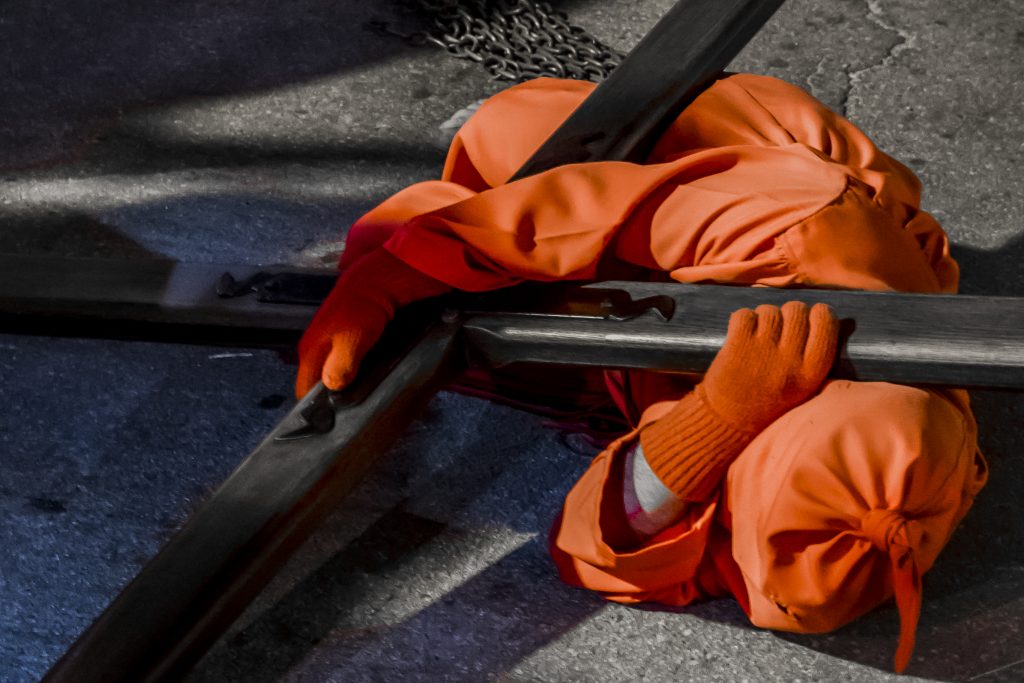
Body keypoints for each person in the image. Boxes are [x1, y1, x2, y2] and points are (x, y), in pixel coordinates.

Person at [295, 74, 988, 672]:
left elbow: (590, 549)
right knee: (512, 132)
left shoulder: (815, 543)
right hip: (764, 164)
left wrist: (711, 424)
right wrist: (402, 271)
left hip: (667, 359)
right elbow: (618, 204)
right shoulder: (804, 234)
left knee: (423, 279)